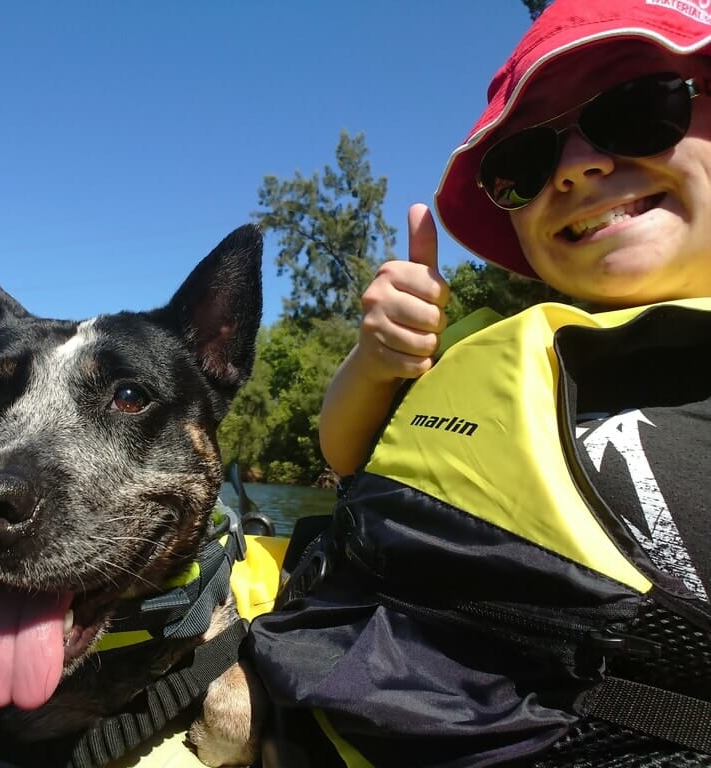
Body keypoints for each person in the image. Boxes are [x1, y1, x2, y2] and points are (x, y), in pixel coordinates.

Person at [250, 0, 711, 765]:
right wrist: (378, 360)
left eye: (639, 109)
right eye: (522, 167)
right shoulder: (493, 352)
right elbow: (346, 455)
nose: (574, 167)